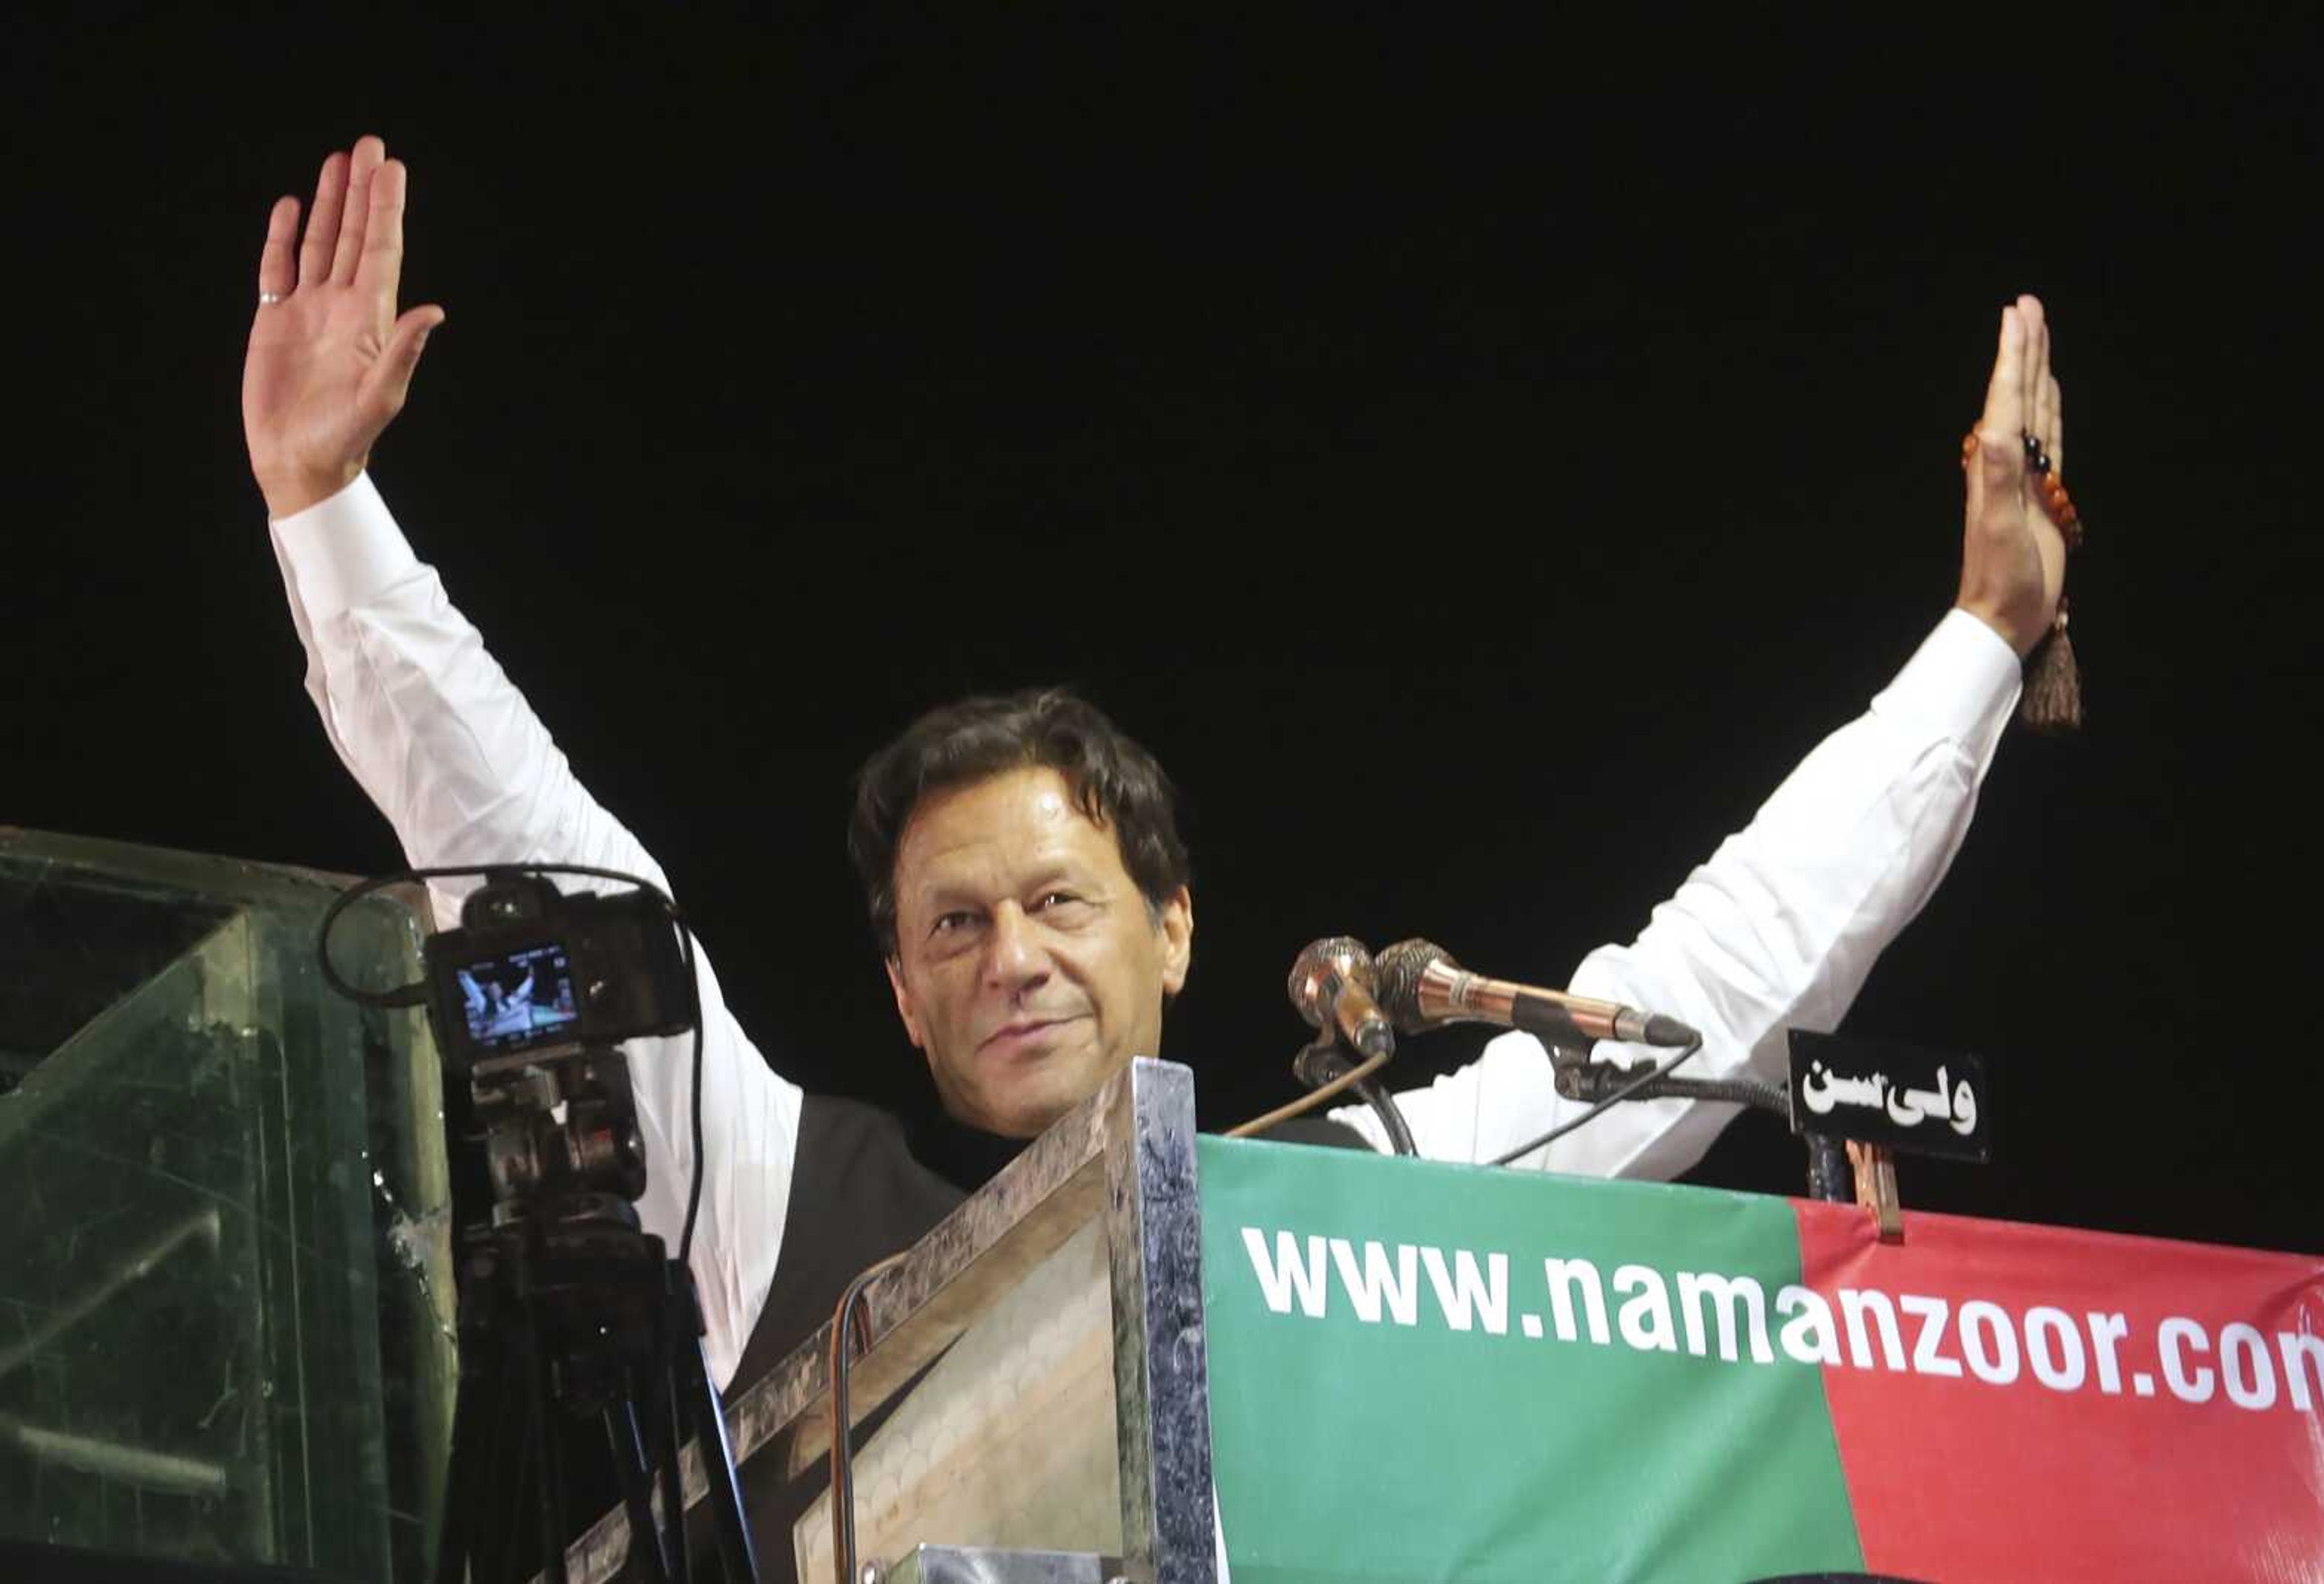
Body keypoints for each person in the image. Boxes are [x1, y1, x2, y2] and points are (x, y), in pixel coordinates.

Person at [244, 133, 2065, 1551]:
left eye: (1056, 900)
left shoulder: (1365, 1176)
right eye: (950, 928)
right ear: (897, 986)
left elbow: (1719, 973)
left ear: (1177, 928)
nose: (1009, 955)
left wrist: (1987, 636)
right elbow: (543, 857)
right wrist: (326, 507)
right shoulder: (781, 1190)